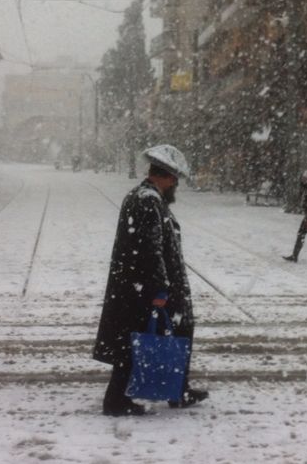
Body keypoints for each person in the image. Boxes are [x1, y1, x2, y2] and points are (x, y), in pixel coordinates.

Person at [93, 144, 208, 416]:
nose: (175, 185)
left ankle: (177, 390)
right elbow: (150, 248)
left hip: (137, 285)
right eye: (174, 180)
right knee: (142, 340)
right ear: (165, 177)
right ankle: (117, 402)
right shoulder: (148, 200)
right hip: (146, 287)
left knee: (147, 338)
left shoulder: (144, 197)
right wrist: (160, 288)